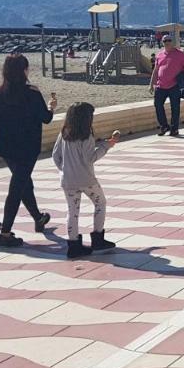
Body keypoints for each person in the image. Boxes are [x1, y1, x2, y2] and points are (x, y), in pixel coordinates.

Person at [0, 54, 56, 247]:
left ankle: (38, 218)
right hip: (27, 147)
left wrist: (1, 121)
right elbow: (46, 118)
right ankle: (5, 233)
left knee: (22, 182)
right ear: (24, 71)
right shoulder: (31, 92)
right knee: (17, 187)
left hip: (6, 146)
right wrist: (51, 107)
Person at [52, 102, 118, 258]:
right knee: (100, 203)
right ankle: (98, 238)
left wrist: (64, 169)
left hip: (68, 180)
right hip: (86, 180)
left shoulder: (64, 133)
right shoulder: (86, 135)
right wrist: (106, 146)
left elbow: (55, 156)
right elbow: (91, 158)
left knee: (72, 211)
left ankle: (73, 245)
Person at [150, 34, 184, 136]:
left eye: (169, 40)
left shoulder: (180, 54)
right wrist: (151, 84)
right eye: (164, 41)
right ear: (162, 43)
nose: (167, 42)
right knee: (158, 105)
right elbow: (155, 70)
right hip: (160, 85)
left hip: (175, 85)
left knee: (175, 108)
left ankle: (174, 129)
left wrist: (183, 79)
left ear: (172, 42)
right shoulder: (159, 55)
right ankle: (164, 126)